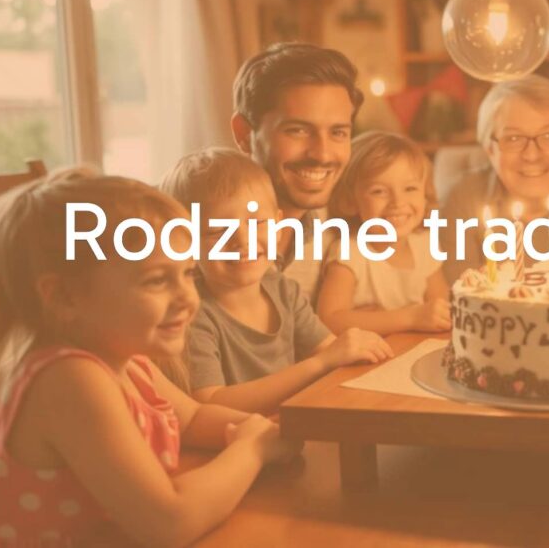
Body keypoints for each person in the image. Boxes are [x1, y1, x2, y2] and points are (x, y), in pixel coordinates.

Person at [0, 170, 299, 546]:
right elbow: (168, 523)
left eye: (187, 273)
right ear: (64, 297)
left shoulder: (127, 360)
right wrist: (252, 448)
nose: (189, 298)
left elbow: (194, 419)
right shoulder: (69, 378)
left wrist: (273, 428)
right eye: (156, 280)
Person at [159, 149, 392, 415]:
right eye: (217, 231)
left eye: (258, 223)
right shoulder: (193, 313)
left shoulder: (282, 289)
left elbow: (332, 352)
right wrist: (321, 363)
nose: (243, 241)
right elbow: (210, 402)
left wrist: (354, 350)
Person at [439, 74, 549, 283]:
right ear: (489, 149)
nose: (532, 155)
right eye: (513, 138)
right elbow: (461, 297)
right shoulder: (462, 198)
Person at [231, 42, 363, 300]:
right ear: (244, 134)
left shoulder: (335, 225)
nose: (322, 154)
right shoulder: (195, 233)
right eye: (298, 130)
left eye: (338, 132)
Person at [317, 132, 451, 335]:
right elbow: (329, 320)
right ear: (350, 201)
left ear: (426, 195)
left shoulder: (424, 245)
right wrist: (412, 317)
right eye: (379, 191)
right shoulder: (351, 253)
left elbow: (443, 307)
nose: (398, 202)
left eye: (410, 188)